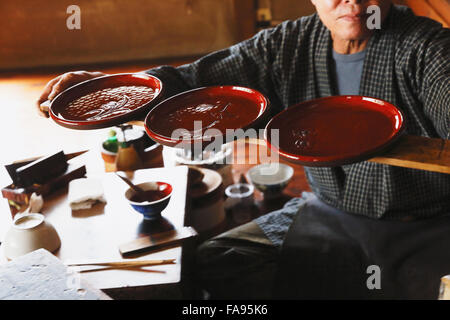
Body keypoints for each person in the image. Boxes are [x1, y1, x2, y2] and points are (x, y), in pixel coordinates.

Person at [37, 0, 449, 299]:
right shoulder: (288, 44)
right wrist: (124, 89)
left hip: (423, 227)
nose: (353, 1)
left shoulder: (427, 48)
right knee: (219, 259)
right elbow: (197, 82)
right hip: (329, 215)